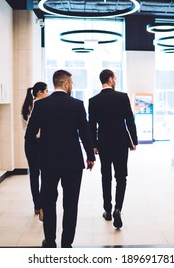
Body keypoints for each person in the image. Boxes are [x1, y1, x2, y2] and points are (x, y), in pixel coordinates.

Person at [25, 69, 95, 248]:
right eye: (71, 83)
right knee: (71, 204)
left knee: (48, 202)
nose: (72, 86)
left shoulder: (40, 106)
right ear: (65, 83)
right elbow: (85, 134)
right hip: (72, 162)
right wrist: (89, 156)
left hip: (48, 162)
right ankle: (67, 243)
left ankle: (50, 241)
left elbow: (30, 135)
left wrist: (37, 157)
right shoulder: (77, 105)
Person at [88, 69, 138, 229]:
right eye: (114, 78)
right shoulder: (122, 97)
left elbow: (91, 126)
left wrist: (94, 145)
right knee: (121, 177)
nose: (115, 80)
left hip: (103, 143)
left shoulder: (93, 100)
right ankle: (118, 209)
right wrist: (133, 141)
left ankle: (108, 211)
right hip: (121, 142)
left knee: (106, 177)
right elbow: (130, 120)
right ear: (110, 79)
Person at [21, 82, 49, 221]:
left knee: (34, 174)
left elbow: (24, 126)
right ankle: (43, 205)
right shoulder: (41, 106)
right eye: (46, 91)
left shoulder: (27, 105)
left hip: (29, 143)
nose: (48, 94)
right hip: (40, 142)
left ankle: (37, 205)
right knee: (44, 173)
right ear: (39, 93)